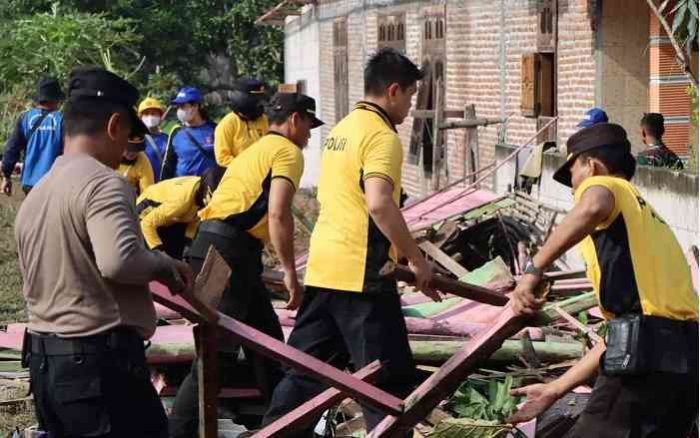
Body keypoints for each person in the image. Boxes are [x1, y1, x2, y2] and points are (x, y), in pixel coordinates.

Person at [262, 48, 439, 436]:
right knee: (385, 385)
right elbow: (379, 203)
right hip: (362, 275)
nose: (410, 106)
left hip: (325, 268)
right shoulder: (381, 136)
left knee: (306, 373)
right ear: (393, 90)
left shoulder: (341, 130)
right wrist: (417, 259)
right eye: (410, 95)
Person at [14, 66, 194, 438]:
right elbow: (119, 260)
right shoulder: (103, 184)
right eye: (128, 137)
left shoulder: (39, 192)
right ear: (114, 125)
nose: (124, 151)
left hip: (47, 366)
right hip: (98, 368)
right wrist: (165, 264)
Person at [509, 123, 698, 437]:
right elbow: (623, 338)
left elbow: (593, 203)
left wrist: (533, 269)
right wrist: (555, 389)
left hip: (646, 357)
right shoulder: (648, 222)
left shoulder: (605, 185)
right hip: (689, 359)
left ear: (590, 165)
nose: (573, 190)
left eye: (572, 176)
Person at [169, 92, 323, 437]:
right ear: (295, 119)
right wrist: (289, 272)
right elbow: (278, 212)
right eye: (309, 126)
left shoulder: (257, 150)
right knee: (215, 354)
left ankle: (284, 428)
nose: (310, 136)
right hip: (227, 251)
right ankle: (176, 433)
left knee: (266, 345)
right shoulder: (287, 152)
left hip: (222, 247)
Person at [136, 165, 226, 260]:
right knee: (158, 263)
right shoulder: (182, 200)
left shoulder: (201, 193)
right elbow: (147, 224)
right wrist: (160, 252)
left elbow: (194, 220)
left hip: (170, 218)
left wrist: (187, 248)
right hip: (144, 216)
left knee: (178, 257)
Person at [1, 77, 65, 195]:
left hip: (29, 183)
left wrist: (6, 176)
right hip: (54, 184)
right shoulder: (62, 120)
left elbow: (11, 150)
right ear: (57, 99)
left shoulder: (24, 118)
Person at [160, 87, 216, 179]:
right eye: (178, 107)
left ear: (195, 106)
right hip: (183, 189)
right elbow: (167, 165)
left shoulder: (215, 129)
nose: (179, 111)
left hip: (209, 188)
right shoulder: (176, 131)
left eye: (182, 106)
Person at [214, 77, 269, 166]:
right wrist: (247, 167)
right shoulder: (227, 124)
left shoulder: (264, 120)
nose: (260, 104)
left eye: (261, 99)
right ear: (241, 99)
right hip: (240, 177)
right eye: (256, 100)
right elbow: (222, 158)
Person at [138, 97, 169, 181]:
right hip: (142, 188)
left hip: (163, 186)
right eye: (146, 114)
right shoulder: (136, 139)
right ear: (141, 117)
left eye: (154, 113)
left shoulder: (168, 139)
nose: (150, 117)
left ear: (160, 116)